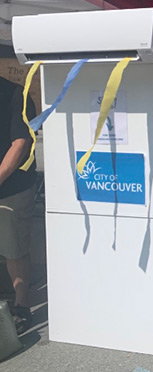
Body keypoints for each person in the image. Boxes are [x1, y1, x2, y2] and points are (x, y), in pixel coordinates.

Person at [0, 76, 37, 335]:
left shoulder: (17, 95)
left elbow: (20, 145)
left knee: (13, 247)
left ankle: (22, 305)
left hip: (12, 186)